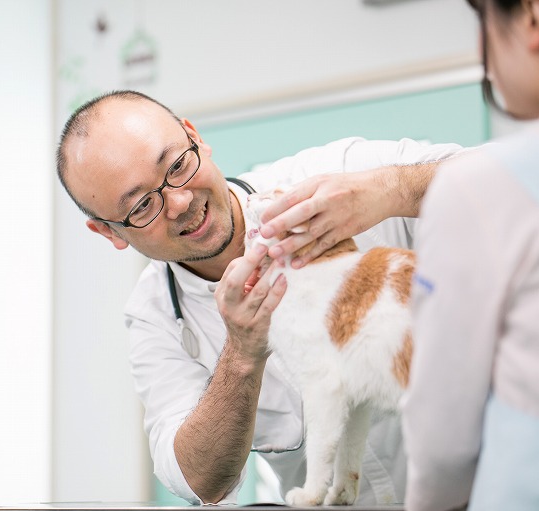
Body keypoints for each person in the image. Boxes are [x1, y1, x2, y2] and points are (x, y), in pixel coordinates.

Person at [56, 90, 466, 505]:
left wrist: (394, 189)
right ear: (110, 232)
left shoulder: (333, 175)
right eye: (143, 205)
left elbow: (515, 175)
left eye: (178, 165)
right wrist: (241, 353)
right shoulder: (155, 318)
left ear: (195, 137)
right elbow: (199, 481)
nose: (179, 203)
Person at [402, 0, 539, 509]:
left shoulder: (482, 188)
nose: (480, 49)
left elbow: (444, 435)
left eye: (481, 23)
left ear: (530, 15)